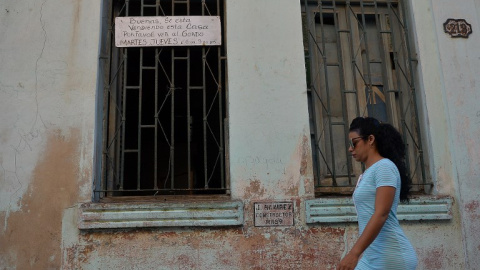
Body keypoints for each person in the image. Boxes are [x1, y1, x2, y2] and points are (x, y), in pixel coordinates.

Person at [338, 117, 418, 270]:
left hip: (391, 256)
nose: (350, 149)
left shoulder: (384, 167)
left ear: (370, 139)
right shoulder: (369, 172)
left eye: (353, 143)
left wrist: (354, 254)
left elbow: (381, 213)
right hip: (373, 256)